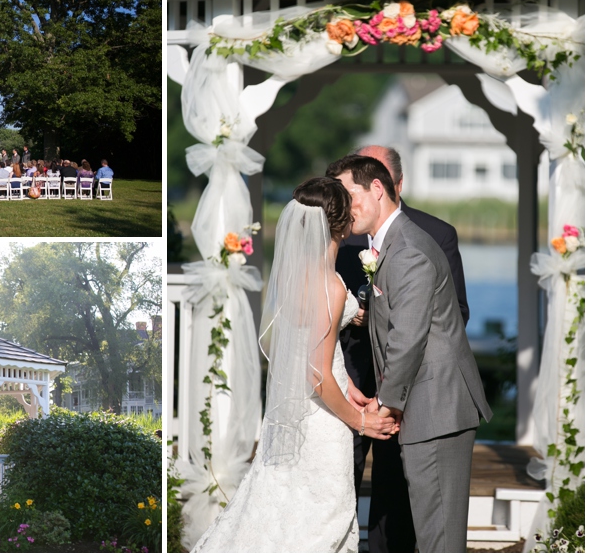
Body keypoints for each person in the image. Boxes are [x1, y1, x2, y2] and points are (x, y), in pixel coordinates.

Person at [192, 177, 397, 553]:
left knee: (282, 510)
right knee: (322, 519)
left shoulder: (295, 275)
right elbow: (316, 373)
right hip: (320, 423)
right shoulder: (330, 286)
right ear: (341, 223)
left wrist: (350, 387)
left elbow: (300, 349)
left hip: (293, 413)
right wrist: (360, 422)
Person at [328, 154, 492, 553]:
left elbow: (407, 338)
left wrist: (382, 408)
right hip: (424, 408)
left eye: (348, 195)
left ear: (378, 189)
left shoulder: (409, 251)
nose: (343, 208)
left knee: (438, 539)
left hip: (436, 409)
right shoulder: (392, 244)